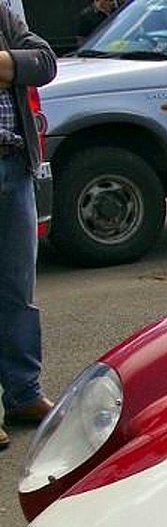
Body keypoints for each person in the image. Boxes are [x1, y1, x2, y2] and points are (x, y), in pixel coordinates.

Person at [0, 4, 56, 450]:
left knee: (18, 290)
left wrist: (7, 64)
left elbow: (45, 61)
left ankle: (23, 394)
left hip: (13, 167)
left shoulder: (2, 14)